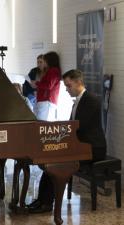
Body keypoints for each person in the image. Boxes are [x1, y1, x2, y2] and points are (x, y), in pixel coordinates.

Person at [28, 69, 106, 213]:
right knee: (49, 162)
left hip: (93, 148)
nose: (66, 90)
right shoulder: (77, 101)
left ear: (78, 82)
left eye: (68, 86)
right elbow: (73, 126)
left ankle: (47, 203)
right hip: (80, 145)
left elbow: (80, 127)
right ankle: (42, 201)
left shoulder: (92, 100)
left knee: (56, 165)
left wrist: (61, 134)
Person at [32, 51, 61, 121]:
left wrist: (36, 83)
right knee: (38, 121)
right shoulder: (50, 70)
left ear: (49, 61)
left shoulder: (53, 71)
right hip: (43, 100)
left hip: (47, 101)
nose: (44, 63)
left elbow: (49, 85)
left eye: (44, 61)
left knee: (43, 124)